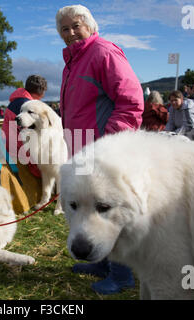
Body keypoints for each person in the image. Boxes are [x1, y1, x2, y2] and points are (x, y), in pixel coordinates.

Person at [56, 4, 144, 295]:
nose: (70, 33)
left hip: (103, 153)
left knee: (108, 212)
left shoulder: (103, 52)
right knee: (89, 211)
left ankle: (122, 275)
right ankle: (102, 262)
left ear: (90, 26)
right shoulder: (73, 62)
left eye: (75, 26)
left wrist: (109, 146)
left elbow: (131, 102)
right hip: (82, 151)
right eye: (64, 29)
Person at [2, 74, 48, 178]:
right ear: (41, 92)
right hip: (20, 153)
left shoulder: (17, 101)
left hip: (8, 147)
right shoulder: (28, 107)